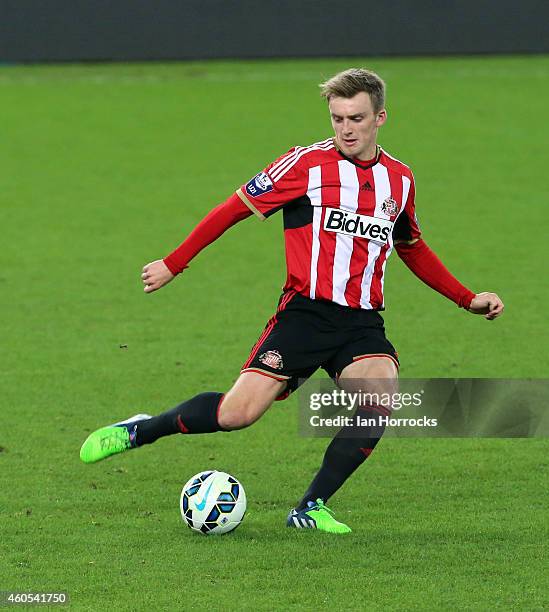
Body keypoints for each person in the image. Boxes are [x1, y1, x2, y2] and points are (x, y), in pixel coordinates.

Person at [80, 68, 504, 534]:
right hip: (304, 314)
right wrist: (173, 263)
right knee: (235, 415)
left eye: (356, 118)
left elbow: (412, 247)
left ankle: (310, 506)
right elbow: (232, 208)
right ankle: (141, 429)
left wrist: (467, 299)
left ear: (380, 117)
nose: (345, 128)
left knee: (380, 400)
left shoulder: (400, 180)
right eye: (337, 117)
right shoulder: (305, 164)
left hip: (360, 323)